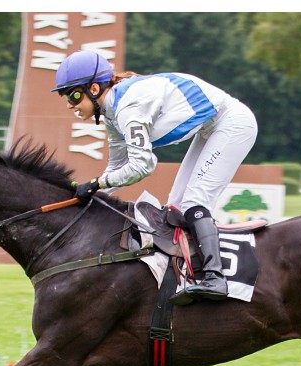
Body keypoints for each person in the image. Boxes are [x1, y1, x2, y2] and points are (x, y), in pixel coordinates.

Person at [52, 50, 258, 305]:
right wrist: (86, 196)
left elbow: (142, 166)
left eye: (73, 95)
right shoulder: (112, 116)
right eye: (65, 97)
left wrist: (96, 184)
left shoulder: (128, 108)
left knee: (194, 202)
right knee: (175, 207)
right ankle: (187, 273)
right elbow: (117, 166)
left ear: (94, 88)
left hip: (232, 123)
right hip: (210, 128)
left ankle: (215, 278)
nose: (69, 104)